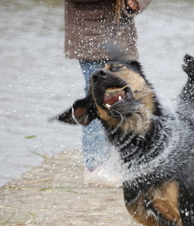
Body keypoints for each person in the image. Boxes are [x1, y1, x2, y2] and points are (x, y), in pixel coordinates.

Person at [64, 0, 151, 187]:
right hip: (90, 36)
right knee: (98, 100)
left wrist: (137, 2)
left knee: (123, 99)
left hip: (121, 37)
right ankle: (95, 167)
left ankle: (123, 162)